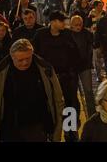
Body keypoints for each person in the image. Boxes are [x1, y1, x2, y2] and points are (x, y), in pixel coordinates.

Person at [0, 39, 64, 142]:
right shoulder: (0, 73)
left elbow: (58, 100)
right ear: (12, 57)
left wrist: (57, 132)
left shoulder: (45, 69)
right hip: (10, 127)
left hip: (37, 126)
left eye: (28, 58)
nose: (25, 63)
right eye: (20, 60)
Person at [33, 11, 80, 142]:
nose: (64, 23)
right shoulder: (40, 35)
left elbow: (75, 53)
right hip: (47, 78)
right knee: (48, 105)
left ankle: (70, 131)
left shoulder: (67, 35)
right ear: (53, 22)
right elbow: (34, 55)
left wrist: (72, 71)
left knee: (69, 105)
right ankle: (50, 132)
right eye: (61, 21)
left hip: (66, 77)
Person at [70, 15, 96, 118]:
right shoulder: (68, 35)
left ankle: (92, 115)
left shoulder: (87, 34)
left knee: (88, 91)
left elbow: (90, 48)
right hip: (72, 67)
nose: (78, 26)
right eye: (76, 25)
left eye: (80, 24)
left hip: (85, 66)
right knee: (72, 93)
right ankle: (75, 115)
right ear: (71, 25)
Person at [86, 0, 105, 81]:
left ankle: (105, 73)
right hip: (94, 39)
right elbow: (87, 26)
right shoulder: (91, 15)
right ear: (96, 6)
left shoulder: (104, 14)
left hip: (103, 39)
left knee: (104, 57)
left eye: (102, 6)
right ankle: (99, 75)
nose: (101, 7)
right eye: (99, 6)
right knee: (96, 59)